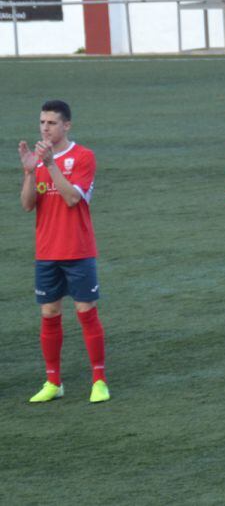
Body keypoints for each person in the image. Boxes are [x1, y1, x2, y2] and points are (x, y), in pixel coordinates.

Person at [19, 100, 110, 404]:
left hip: (78, 249)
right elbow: (27, 204)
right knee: (49, 314)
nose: (45, 128)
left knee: (86, 312)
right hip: (46, 251)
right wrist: (31, 173)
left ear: (67, 125)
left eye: (52, 123)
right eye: (42, 122)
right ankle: (53, 382)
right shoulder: (39, 161)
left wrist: (50, 166)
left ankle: (99, 380)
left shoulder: (84, 157)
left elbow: (73, 198)